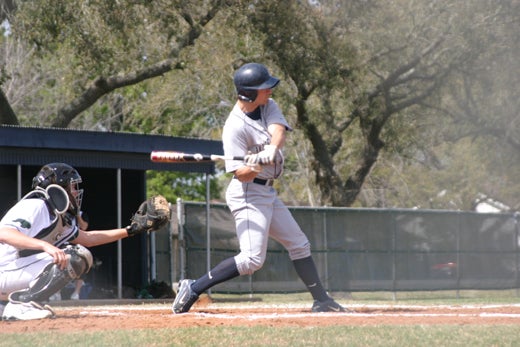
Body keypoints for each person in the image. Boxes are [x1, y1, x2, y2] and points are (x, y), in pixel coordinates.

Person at [172, 63, 348, 314]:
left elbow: (278, 131)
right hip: (247, 193)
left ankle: (322, 300)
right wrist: (253, 165)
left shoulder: (268, 106)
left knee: (299, 244)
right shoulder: (234, 128)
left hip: (267, 192)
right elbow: (240, 174)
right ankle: (193, 287)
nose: (270, 91)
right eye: (264, 88)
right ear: (249, 94)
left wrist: (271, 151)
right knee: (252, 259)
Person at [0, 163, 161, 320]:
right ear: (57, 189)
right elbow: (4, 233)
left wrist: (131, 230)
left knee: (79, 255)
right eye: (73, 187)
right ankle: (22, 305)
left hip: (10, 271)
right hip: (4, 270)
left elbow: (88, 238)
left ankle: (12, 303)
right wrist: (45, 246)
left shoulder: (57, 215)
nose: (76, 193)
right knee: (75, 256)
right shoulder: (37, 205)